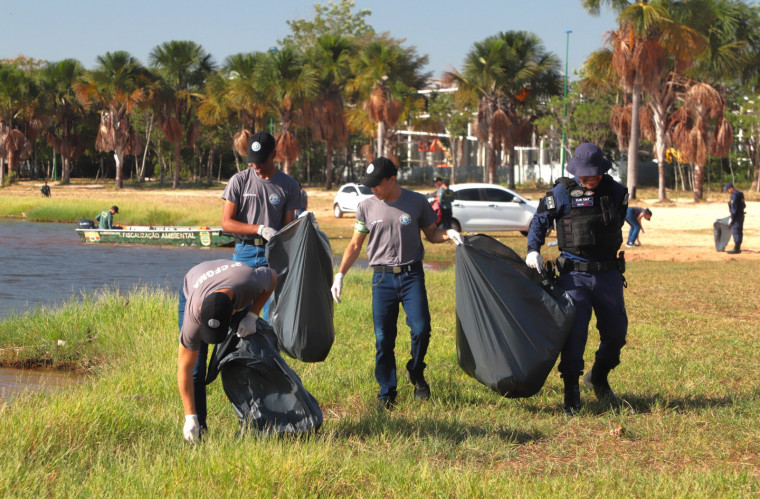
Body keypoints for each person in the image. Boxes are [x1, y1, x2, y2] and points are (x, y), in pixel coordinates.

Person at [330, 157, 463, 410]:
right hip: (382, 279)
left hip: (412, 275)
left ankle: (415, 371)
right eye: (369, 185)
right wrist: (340, 275)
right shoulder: (366, 207)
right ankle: (387, 391)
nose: (372, 190)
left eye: (376, 184)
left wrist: (448, 234)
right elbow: (355, 245)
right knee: (383, 339)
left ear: (392, 179)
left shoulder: (416, 202)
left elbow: (432, 234)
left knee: (422, 329)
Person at [525, 143, 629, 415]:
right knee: (574, 335)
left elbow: (616, 223)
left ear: (602, 170)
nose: (589, 179)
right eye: (584, 175)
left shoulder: (616, 191)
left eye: (593, 174)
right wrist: (533, 249)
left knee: (616, 333)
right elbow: (539, 221)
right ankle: (571, 391)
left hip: (608, 275)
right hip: (574, 276)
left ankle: (599, 376)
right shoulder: (562, 192)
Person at [177, 259, 276, 442]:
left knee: (248, 354)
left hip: (234, 283)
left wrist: (252, 316)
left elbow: (272, 277)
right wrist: (189, 417)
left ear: (233, 312)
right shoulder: (193, 312)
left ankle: (259, 423)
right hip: (196, 281)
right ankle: (198, 431)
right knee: (197, 368)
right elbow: (185, 367)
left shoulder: (250, 283)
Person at [221, 131, 303, 316]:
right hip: (244, 252)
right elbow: (227, 223)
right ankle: (238, 345)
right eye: (253, 161)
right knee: (237, 312)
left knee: (269, 315)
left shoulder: (289, 185)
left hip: (272, 254)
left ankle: (266, 345)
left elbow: (287, 229)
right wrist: (259, 228)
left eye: (261, 161)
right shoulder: (239, 181)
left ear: (274, 155)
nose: (256, 166)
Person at [724, 183, 745, 254]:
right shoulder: (740, 194)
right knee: (739, 231)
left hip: (737, 216)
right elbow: (743, 205)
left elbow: (734, 208)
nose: (728, 192)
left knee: (736, 231)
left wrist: (732, 217)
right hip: (741, 215)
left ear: (731, 188)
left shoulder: (734, 196)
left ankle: (737, 248)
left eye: (728, 190)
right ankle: (738, 246)